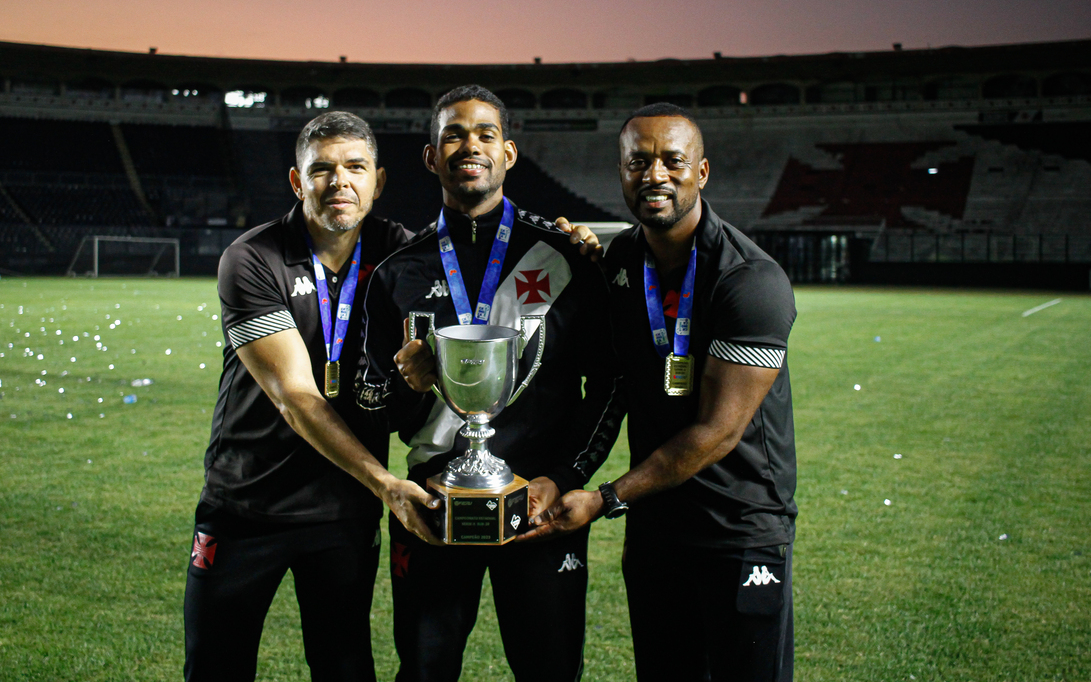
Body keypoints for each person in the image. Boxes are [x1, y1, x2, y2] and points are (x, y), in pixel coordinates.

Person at [356, 84, 624, 682]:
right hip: (433, 505)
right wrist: (409, 384)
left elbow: (608, 384)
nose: (470, 146)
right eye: (453, 135)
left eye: (485, 134)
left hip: (540, 508)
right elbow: (377, 407)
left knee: (551, 672)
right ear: (431, 157)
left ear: (508, 153)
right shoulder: (399, 273)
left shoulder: (564, 257)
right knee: (424, 671)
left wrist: (564, 477)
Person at [523, 103, 798, 682]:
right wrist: (566, 476)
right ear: (621, 172)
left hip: (739, 528)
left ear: (702, 172)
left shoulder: (750, 279)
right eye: (637, 162)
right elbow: (611, 387)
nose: (655, 175)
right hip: (655, 531)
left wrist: (605, 498)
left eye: (673, 161)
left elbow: (718, 432)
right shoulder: (620, 261)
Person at [184, 111, 440, 682]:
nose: (339, 181)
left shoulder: (401, 253)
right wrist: (385, 484)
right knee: (214, 667)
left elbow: (480, 267)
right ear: (298, 182)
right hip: (246, 505)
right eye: (322, 169)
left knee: (345, 667)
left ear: (378, 180)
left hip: (343, 513)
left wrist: (566, 241)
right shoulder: (253, 258)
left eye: (355, 167)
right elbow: (295, 397)